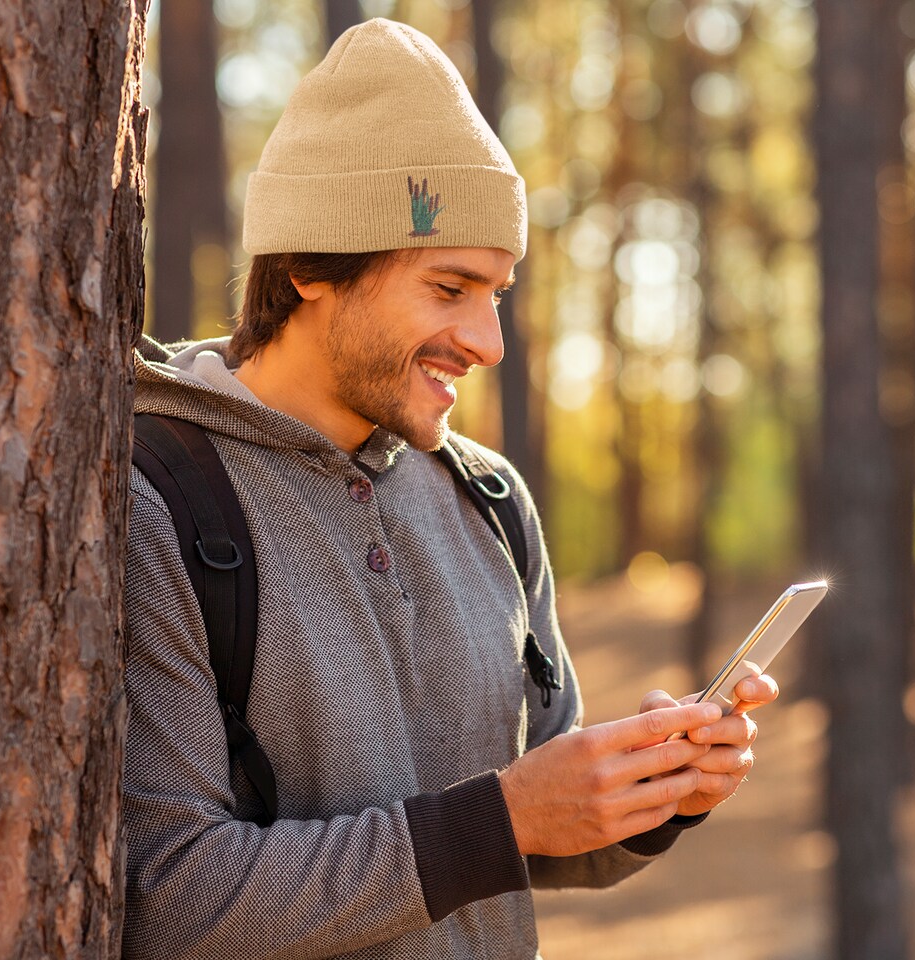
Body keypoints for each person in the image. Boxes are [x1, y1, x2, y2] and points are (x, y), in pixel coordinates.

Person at [122, 19, 777, 960]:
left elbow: (534, 835)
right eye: (450, 287)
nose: (488, 341)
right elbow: (170, 896)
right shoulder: (162, 502)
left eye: (497, 294)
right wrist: (503, 820)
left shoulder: (490, 501)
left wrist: (651, 794)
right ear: (311, 265)